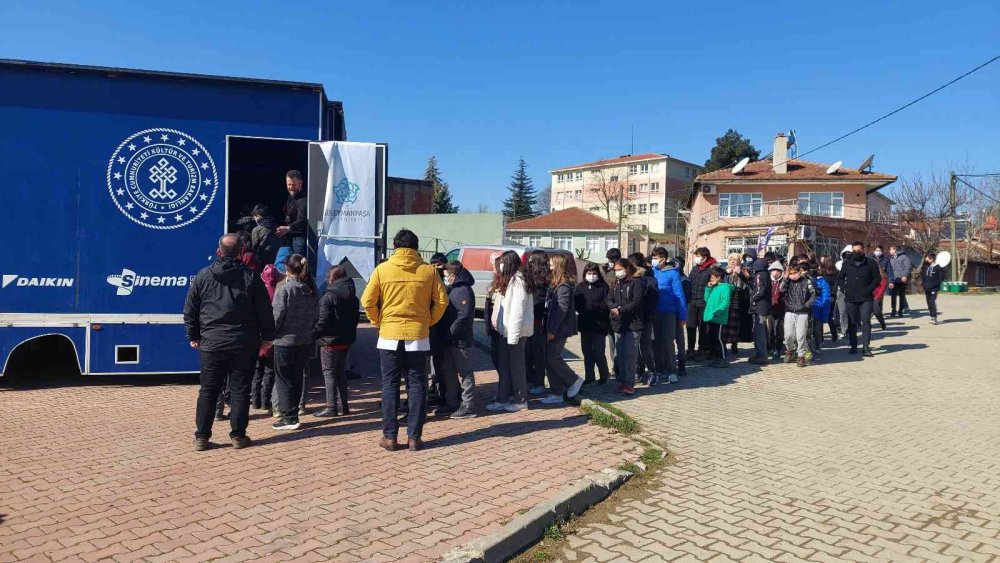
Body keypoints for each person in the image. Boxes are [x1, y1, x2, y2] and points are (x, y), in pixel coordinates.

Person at [184, 234, 276, 451]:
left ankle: (202, 437)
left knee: (208, 390)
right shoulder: (251, 277)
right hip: (243, 342)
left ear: (219, 251)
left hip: (212, 342)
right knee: (240, 390)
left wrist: (194, 335)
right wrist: (268, 338)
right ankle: (237, 435)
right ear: (241, 251)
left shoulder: (203, 276)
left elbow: (191, 309)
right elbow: (264, 311)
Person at [361, 230, 449, 451]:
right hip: (418, 335)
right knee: (417, 385)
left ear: (394, 246)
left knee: (389, 385)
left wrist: (378, 321)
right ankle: (414, 437)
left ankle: (390, 437)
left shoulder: (383, 269)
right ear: (416, 247)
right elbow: (442, 301)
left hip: (389, 334)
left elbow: (367, 301)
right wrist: (428, 320)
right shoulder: (428, 270)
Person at [270, 254, 319, 431]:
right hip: (304, 341)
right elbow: (316, 316)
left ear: (287, 269)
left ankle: (289, 417)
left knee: (283, 379)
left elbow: (277, 316)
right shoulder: (310, 289)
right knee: (297, 378)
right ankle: (294, 413)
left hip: (285, 341)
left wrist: (269, 337)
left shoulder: (284, 289)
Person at [486, 250, 535, 413]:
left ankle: (521, 400)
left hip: (515, 334)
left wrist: (513, 336)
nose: (500, 265)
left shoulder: (519, 282)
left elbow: (517, 312)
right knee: (505, 366)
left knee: (517, 367)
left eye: (503, 262)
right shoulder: (509, 280)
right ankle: (502, 398)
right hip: (505, 332)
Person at [313, 266, 359, 418]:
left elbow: (323, 321)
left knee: (329, 373)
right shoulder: (353, 296)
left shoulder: (328, 296)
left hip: (329, 341)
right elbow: (355, 319)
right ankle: (344, 405)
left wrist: (314, 333)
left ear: (331, 279)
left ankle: (331, 406)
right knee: (341, 373)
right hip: (346, 340)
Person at [541, 254, 584, 405]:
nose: (549, 267)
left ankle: (574, 380)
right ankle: (556, 392)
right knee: (549, 358)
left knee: (553, 356)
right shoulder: (555, 284)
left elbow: (561, 310)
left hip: (559, 329)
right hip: (551, 327)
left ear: (558, 266)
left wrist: (552, 330)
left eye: (552, 264)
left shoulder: (564, 286)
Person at [444, 261, 478, 418]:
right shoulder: (455, 289)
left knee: (465, 373)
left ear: (452, 275)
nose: (445, 277)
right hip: (452, 339)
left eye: (446, 275)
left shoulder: (463, 290)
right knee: (450, 371)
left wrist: (451, 332)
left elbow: (463, 316)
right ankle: (451, 403)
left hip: (461, 339)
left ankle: (468, 406)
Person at [837, 241, 881, 357]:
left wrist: (869, 289)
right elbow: (840, 278)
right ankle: (853, 346)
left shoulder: (871, 263)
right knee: (852, 323)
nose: (857, 253)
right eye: (854, 251)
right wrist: (844, 288)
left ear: (863, 251)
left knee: (865, 321)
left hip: (866, 298)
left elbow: (877, 279)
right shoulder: (847, 264)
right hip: (851, 298)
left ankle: (866, 347)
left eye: (859, 251)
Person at [650, 248, 686, 383]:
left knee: (668, 341)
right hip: (654, 313)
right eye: (652, 257)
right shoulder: (651, 272)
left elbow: (679, 294)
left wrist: (682, 316)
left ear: (663, 259)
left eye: (656, 257)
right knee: (655, 342)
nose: (654, 260)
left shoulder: (673, 273)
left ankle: (672, 370)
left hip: (669, 312)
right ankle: (659, 369)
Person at [608, 259, 643, 395]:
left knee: (630, 355)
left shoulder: (636, 282)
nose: (617, 272)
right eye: (615, 270)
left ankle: (629, 383)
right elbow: (609, 298)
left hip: (633, 324)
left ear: (627, 269)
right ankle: (622, 381)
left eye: (619, 269)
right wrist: (613, 307)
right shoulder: (616, 283)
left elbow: (637, 301)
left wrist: (621, 309)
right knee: (620, 354)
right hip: (619, 324)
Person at [251, 263, 283, 413]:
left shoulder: (257, 289)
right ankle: (265, 401)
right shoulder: (278, 291)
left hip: (257, 337)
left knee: (257, 372)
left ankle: (255, 401)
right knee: (269, 372)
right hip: (271, 337)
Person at [575, 263, 611, 385]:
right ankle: (589, 376)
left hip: (599, 325)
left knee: (598, 351)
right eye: (589, 273)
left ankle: (604, 375)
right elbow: (576, 302)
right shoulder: (580, 286)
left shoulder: (603, 287)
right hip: (585, 324)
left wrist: (594, 306)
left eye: (594, 273)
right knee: (587, 351)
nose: (591, 276)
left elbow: (607, 304)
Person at [525, 251, 551, 396]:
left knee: (538, 353)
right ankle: (530, 380)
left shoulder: (545, 279)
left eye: (531, 260)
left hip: (538, 321)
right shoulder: (530, 277)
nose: (528, 262)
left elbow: (540, 301)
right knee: (527, 352)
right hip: (529, 320)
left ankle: (539, 382)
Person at [628, 253, 657, 384]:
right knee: (634, 347)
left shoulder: (649, 279)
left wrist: (647, 315)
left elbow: (652, 300)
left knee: (644, 346)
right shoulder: (630, 279)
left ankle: (652, 371)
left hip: (644, 318)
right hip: (632, 318)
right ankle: (637, 371)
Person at [780, 264, 817, 367]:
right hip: (790, 310)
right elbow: (781, 289)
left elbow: (814, 294)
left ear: (800, 272)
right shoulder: (788, 281)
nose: (793, 275)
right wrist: (786, 276)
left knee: (801, 335)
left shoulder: (807, 281)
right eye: (791, 273)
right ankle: (790, 350)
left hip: (802, 311)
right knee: (788, 335)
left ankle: (801, 356)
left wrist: (807, 305)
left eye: (795, 273)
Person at [687, 247, 717, 361]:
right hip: (692, 302)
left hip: (704, 303)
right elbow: (690, 282)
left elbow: (714, 285)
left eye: (698, 256)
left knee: (703, 328)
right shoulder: (695, 268)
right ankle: (690, 349)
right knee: (690, 327)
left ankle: (702, 350)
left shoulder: (712, 269)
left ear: (704, 258)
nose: (696, 258)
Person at [702, 267, 732, 368]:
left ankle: (723, 358)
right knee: (713, 339)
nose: (710, 279)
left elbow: (725, 302)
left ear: (719, 278)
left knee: (719, 338)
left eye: (712, 277)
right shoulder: (714, 287)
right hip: (711, 317)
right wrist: (708, 288)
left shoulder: (725, 287)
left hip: (718, 317)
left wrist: (717, 312)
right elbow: (706, 299)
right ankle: (716, 358)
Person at [747, 251, 772, 365]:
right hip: (761, 307)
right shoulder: (764, 273)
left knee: (759, 331)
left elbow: (760, 290)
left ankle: (762, 355)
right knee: (758, 331)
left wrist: (753, 300)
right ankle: (760, 354)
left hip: (760, 308)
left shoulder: (760, 274)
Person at [275, 170, 308, 257]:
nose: (291, 187)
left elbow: (302, 220)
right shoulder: (290, 196)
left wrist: (288, 228)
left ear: (300, 183)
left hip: (299, 238)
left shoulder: (304, 200)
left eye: (293, 185)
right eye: (289, 184)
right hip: (289, 236)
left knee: (298, 264)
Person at [723, 253, 749, 357]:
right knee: (725, 323)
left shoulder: (743, 271)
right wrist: (725, 272)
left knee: (735, 323)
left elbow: (747, 281)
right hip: (726, 299)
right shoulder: (724, 271)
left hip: (738, 299)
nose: (733, 261)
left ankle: (734, 344)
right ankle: (723, 344)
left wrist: (740, 273)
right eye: (731, 259)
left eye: (735, 260)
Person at [602, 248, 623, 377]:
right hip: (608, 311)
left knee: (619, 341)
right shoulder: (606, 271)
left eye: (611, 260)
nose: (610, 263)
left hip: (620, 310)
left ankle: (621, 367)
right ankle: (615, 367)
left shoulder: (622, 270)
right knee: (611, 342)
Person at [808, 260, 832, 361]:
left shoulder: (822, 281)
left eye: (814, 268)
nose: (812, 270)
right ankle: (809, 348)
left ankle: (818, 346)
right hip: (807, 309)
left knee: (816, 329)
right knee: (808, 331)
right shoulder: (805, 280)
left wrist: (824, 311)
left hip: (818, 309)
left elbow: (826, 297)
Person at [250, 204, 281, 270]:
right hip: (277, 259)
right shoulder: (278, 227)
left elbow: (254, 246)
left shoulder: (257, 229)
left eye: (254, 217)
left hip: (263, 260)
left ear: (258, 216)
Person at [674, 256, 691, 376]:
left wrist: (683, 315)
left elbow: (687, 299)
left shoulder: (684, 279)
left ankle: (682, 364)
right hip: (669, 311)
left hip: (679, 312)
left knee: (680, 339)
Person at [818, 257, 841, 341]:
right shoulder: (822, 272)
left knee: (827, 317)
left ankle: (832, 335)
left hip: (828, 296)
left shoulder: (835, 273)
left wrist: (831, 295)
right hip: (824, 296)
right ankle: (822, 336)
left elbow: (836, 284)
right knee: (824, 317)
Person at [767, 261, 785, 360]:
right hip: (770, 309)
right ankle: (770, 347)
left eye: (778, 270)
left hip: (780, 309)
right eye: (773, 270)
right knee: (769, 330)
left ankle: (778, 348)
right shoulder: (768, 281)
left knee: (778, 330)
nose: (775, 272)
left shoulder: (783, 282)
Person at [922, 252, 946, 324]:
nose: (926, 259)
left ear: (931, 259)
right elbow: (923, 277)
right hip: (926, 288)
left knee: (932, 302)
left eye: (927, 258)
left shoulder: (938, 268)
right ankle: (931, 316)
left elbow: (941, 278)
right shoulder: (926, 267)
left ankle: (934, 317)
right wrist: (923, 285)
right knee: (928, 302)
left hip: (934, 288)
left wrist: (936, 286)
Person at [872, 245, 893, 327]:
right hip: (870, 289)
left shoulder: (886, 260)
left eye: (879, 250)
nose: (878, 251)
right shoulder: (869, 259)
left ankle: (879, 317)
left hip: (880, 285)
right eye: (876, 250)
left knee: (877, 304)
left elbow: (889, 271)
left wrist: (891, 281)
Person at [889, 245, 912, 317]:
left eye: (891, 249)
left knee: (902, 296)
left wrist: (905, 275)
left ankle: (900, 311)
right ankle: (893, 310)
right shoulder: (891, 258)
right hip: (893, 279)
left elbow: (908, 267)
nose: (890, 251)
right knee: (893, 296)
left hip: (902, 279)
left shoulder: (904, 257)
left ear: (895, 250)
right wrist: (890, 280)